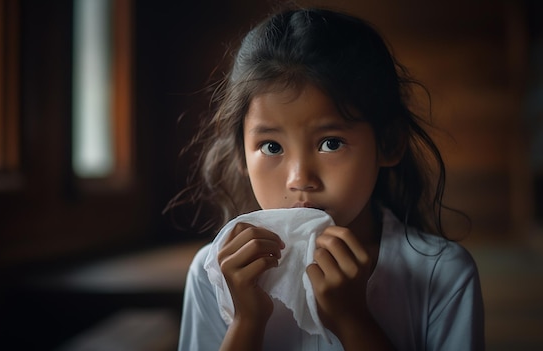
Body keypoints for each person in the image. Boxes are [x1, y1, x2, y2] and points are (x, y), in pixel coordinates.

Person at [169, 7, 485, 351]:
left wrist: (353, 321)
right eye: (271, 146)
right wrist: (247, 321)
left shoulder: (443, 275)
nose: (299, 178)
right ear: (241, 154)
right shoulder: (214, 273)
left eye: (330, 143)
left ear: (389, 143)